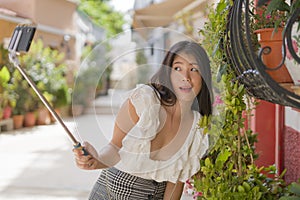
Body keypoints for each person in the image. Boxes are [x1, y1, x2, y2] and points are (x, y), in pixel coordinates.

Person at [73, 40, 213, 199]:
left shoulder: (197, 126)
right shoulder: (145, 99)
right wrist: (96, 160)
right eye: (178, 68)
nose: (185, 77)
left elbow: (175, 182)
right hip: (108, 193)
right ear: (168, 72)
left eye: (194, 69)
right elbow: (114, 146)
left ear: (204, 76)